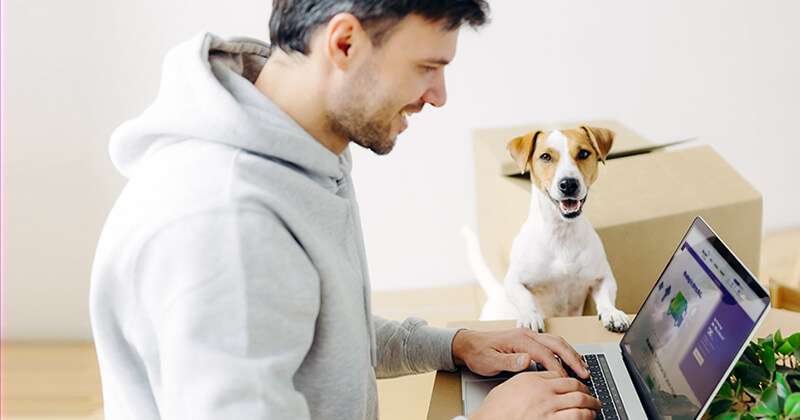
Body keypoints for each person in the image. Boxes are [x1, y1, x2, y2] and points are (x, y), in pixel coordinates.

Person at [89, 1, 599, 418]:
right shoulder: (226, 226)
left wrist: (457, 345)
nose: (438, 96)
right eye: (427, 67)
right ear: (345, 44)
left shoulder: (303, 150)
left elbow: (324, 339)